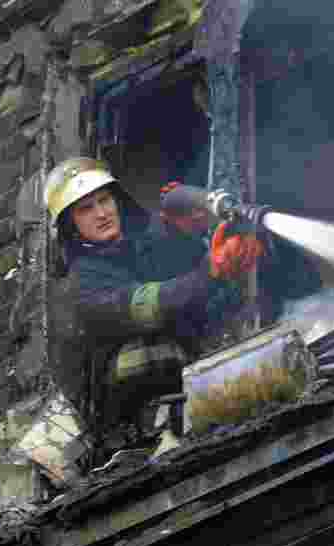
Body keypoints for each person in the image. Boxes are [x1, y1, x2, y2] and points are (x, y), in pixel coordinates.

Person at [43, 157, 263, 434]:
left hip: (202, 391)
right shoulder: (84, 284)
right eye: (86, 209)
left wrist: (184, 232)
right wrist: (212, 271)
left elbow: (200, 286)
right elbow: (153, 303)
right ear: (71, 226)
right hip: (142, 424)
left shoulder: (147, 245)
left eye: (104, 200)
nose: (101, 213)